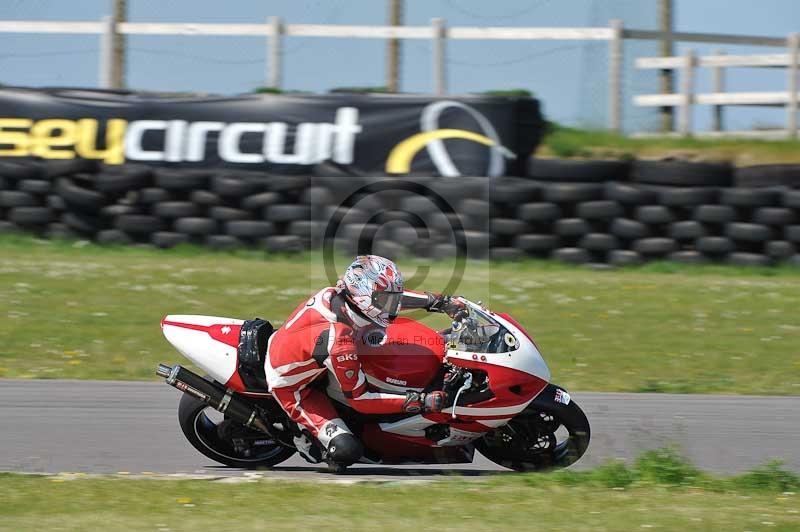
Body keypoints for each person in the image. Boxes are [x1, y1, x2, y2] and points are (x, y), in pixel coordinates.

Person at [265, 254, 464, 470]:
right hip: (293, 387)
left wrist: (440, 302)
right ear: (363, 298)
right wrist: (420, 401)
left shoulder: (340, 295)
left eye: (391, 298)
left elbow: (388, 298)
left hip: (309, 354)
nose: (394, 305)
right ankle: (303, 438)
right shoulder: (339, 341)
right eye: (386, 299)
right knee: (347, 450)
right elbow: (360, 400)